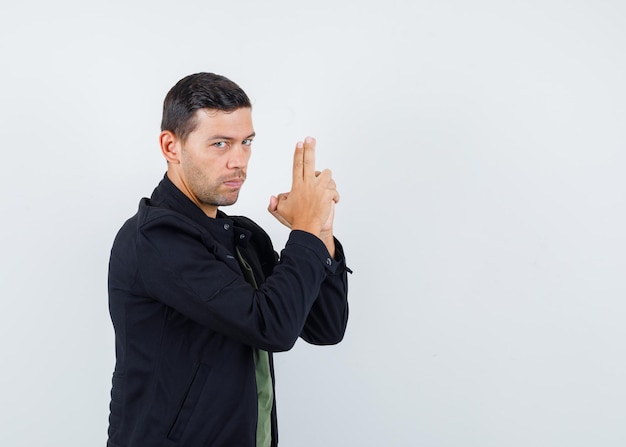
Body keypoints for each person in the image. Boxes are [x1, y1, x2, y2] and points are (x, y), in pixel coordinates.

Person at [107, 72, 351, 447]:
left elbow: (325, 327)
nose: (239, 161)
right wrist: (303, 230)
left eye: (246, 142)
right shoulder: (155, 239)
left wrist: (319, 230)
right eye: (220, 144)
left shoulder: (242, 236)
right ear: (171, 146)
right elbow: (272, 327)